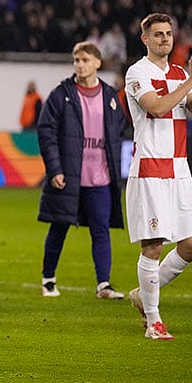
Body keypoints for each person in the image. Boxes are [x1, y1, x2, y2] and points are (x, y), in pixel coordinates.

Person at [125, 12, 192, 340]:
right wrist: (190, 81)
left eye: (168, 34)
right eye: (158, 34)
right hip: (152, 167)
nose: (165, 39)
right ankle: (154, 321)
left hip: (179, 169)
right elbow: (156, 107)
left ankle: (143, 294)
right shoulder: (138, 73)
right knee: (152, 246)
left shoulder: (180, 73)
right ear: (145, 39)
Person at [36, 42, 126, 300]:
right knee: (59, 227)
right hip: (69, 175)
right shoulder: (61, 95)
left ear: (98, 63)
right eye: (76, 60)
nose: (80, 64)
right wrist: (55, 169)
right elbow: (46, 132)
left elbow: (118, 129)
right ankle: (48, 279)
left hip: (101, 177)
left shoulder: (109, 96)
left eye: (85, 60)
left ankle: (104, 285)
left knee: (101, 230)